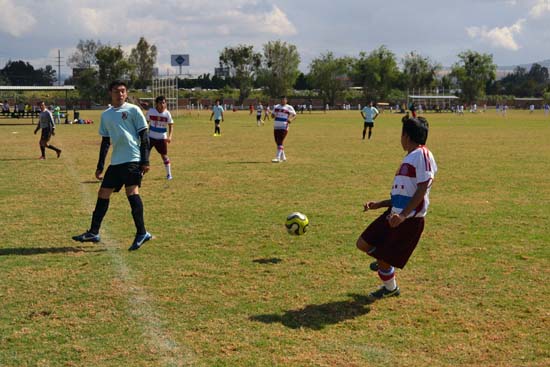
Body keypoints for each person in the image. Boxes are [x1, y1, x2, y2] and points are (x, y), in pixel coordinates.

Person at [355, 115, 437, 300]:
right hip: (392, 215)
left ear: (406, 136)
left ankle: (390, 287)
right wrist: (379, 204)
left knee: (384, 262)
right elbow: (403, 195)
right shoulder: (409, 158)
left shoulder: (422, 154)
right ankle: (384, 262)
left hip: (408, 221)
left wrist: (403, 216)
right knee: (362, 243)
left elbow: (424, 187)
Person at [72, 80, 152, 251]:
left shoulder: (133, 110)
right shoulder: (106, 115)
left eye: (123, 91)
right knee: (103, 192)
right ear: (110, 93)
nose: (120, 94)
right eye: (117, 91)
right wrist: (100, 165)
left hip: (133, 158)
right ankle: (93, 232)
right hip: (116, 161)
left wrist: (145, 161)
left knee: (132, 192)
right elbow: (105, 141)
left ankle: (142, 233)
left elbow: (145, 137)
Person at [146, 96, 174, 180]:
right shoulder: (151, 111)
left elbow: (171, 125)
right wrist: (144, 134)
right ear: (156, 104)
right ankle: (140, 173)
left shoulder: (167, 113)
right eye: (160, 103)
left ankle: (169, 174)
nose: (162, 105)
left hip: (162, 138)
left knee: (164, 156)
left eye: (163, 103)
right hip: (150, 137)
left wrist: (169, 137)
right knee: (144, 155)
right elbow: (146, 122)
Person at [271, 96, 296, 163]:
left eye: (284, 100)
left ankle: (278, 158)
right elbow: (272, 115)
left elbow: (294, 115)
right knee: (277, 141)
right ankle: (283, 157)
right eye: (281, 99)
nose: (283, 101)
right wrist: (273, 115)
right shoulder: (276, 106)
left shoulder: (289, 107)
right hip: (276, 126)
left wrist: (290, 119)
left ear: (286, 100)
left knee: (280, 141)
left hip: (284, 126)